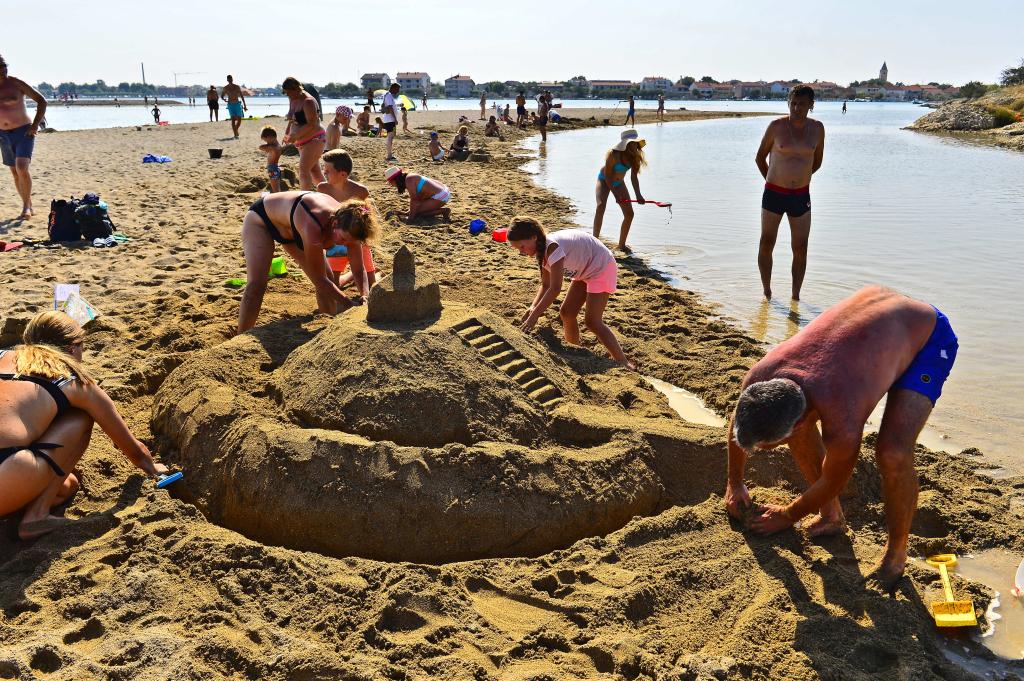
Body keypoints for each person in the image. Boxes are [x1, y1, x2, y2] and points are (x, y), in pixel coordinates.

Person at [725, 286, 958, 592]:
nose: (759, 451)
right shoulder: (759, 379)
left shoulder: (842, 417)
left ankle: (896, 554)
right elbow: (739, 423)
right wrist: (735, 482)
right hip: (876, 324)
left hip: (928, 337)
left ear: (798, 425)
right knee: (792, 421)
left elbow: (833, 481)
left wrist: (788, 515)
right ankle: (831, 516)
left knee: (892, 452)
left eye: (766, 447)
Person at [0, 311, 169, 540]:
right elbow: (131, 448)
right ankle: (36, 515)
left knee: (67, 486)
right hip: (6, 470)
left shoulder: (2, 354)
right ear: (72, 349)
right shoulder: (70, 377)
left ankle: (23, 500)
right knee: (81, 416)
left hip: (8, 473)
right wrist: (152, 468)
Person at [237, 192, 378, 333]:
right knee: (256, 285)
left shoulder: (352, 227)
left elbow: (358, 269)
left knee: (330, 280)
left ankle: (328, 326)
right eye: (343, 239)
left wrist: (365, 295)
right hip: (262, 219)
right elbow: (319, 279)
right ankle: (241, 335)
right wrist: (348, 304)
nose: (344, 244)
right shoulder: (313, 224)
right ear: (334, 224)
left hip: (292, 230)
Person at [506, 216, 634, 370]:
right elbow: (546, 285)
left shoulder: (552, 248)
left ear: (533, 237)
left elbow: (555, 289)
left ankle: (623, 362)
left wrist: (534, 317)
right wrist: (533, 307)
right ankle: (574, 349)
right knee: (567, 313)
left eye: (522, 247)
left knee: (592, 321)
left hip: (601, 266)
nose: (521, 252)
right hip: (584, 270)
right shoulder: (540, 249)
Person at [755, 84, 825, 301]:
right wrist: (773, 181)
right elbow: (760, 157)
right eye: (793, 103)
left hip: (801, 196)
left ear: (811, 105)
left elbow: (817, 162)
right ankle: (767, 292)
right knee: (767, 242)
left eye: (802, 104)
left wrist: (800, 178)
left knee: (801, 247)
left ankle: (795, 297)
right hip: (774, 193)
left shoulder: (818, 128)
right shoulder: (776, 126)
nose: (796, 108)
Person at [317, 149, 377, 290]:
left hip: (355, 236)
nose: (324, 173)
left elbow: (365, 217)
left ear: (343, 174)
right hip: (335, 237)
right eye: (324, 170)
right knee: (334, 284)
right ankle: (350, 276)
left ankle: (373, 273)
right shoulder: (323, 188)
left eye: (328, 171)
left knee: (371, 285)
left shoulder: (360, 191)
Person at [0, 55, 47, 219]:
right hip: (3, 135)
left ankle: (26, 208)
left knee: (21, 168)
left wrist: (35, 125)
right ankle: (28, 204)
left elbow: (42, 101)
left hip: (24, 132)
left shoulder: (16, 83)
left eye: (4, 66)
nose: (3, 69)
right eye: (0, 67)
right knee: (15, 172)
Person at [593, 129, 646, 251]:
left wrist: (638, 195)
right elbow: (608, 177)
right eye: (632, 143)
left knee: (629, 214)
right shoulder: (613, 154)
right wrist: (616, 195)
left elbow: (634, 178)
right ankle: (594, 241)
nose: (635, 145)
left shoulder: (636, 157)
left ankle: (621, 245)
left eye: (636, 143)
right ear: (626, 144)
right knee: (601, 206)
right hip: (604, 180)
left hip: (618, 183)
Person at [282, 76, 326, 190]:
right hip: (302, 141)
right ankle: (328, 193)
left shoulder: (308, 101)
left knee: (303, 170)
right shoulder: (293, 99)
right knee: (315, 171)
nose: (288, 95)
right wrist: (287, 133)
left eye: (288, 92)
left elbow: (312, 124)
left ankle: (304, 196)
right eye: (286, 93)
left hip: (315, 139)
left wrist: (296, 136)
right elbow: (291, 119)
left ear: (296, 88)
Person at [384, 166, 451, 221]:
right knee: (415, 210)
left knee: (418, 213)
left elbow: (415, 200)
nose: (391, 185)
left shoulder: (409, 181)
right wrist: (408, 212)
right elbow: (418, 198)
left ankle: (444, 211)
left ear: (394, 180)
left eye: (390, 182)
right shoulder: (409, 176)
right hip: (443, 189)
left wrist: (411, 218)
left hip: (441, 195)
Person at [222, 75, 248, 139]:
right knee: (233, 119)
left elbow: (241, 96)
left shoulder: (237, 87)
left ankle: (235, 130)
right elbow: (222, 96)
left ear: (232, 79)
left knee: (239, 120)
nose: (230, 80)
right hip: (230, 105)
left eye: (231, 79)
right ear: (227, 80)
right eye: (229, 79)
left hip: (237, 104)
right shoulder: (225, 88)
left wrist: (245, 105)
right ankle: (235, 134)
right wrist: (224, 99)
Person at [259, 126, 283, 193]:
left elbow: (260, 147)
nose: (266, 142)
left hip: (272, 169)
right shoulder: (278, 146)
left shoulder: (273, 147)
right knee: (276, 188)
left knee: (276, 190)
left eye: (266, 140)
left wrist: (268, 146)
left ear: (271, 137)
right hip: (275, 167)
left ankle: (278, 198)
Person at [381, 82, 401, 161]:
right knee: (390, 136)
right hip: (390, 120)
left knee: (391, 136)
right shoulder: (389, 95)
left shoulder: (387, 95)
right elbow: (390, 107)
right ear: (393, 88)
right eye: (397, 89)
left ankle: (390, 154)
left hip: (389, 120)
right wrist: (395, 119)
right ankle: (389, 155)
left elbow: (390, 106)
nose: (398, 91)